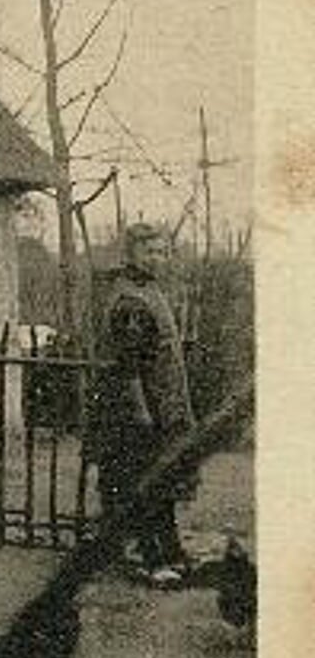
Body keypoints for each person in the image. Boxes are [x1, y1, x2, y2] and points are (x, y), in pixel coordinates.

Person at [93, 222, 196, 590]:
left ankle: (169, 551)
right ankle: (149, 558)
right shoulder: (129, 299)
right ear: (132, 254)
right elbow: (129, 364)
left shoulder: (150, 290)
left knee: (161, 480)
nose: (157, 257)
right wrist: (141, 412)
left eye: (162, 251)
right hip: (138, 408)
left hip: (163, 405)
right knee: (141, 482)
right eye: (149, 251)